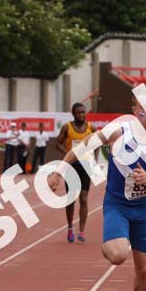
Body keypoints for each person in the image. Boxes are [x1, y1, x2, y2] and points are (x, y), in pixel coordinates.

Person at [48, 85, 146, 291]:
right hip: (117, 204)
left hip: (144, 209)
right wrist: (59, 171)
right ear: (134, 109)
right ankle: (110, 243)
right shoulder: (118, 130)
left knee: (144, 270)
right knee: (118, 256)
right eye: (143, 108)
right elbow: (83, 145)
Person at [55, 104, 94, 242]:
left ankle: (82, 231)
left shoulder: (90, 127)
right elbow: (57, 143)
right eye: (78, 112)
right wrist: (69, 154)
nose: (81, 115)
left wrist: (93, 157)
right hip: (71, 166)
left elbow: (96, 143)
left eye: (83, 112)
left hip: (85, 165)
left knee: (83, 198)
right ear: (73, 113)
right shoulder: (67, 127)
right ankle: (70, 228)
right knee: (71, 199)